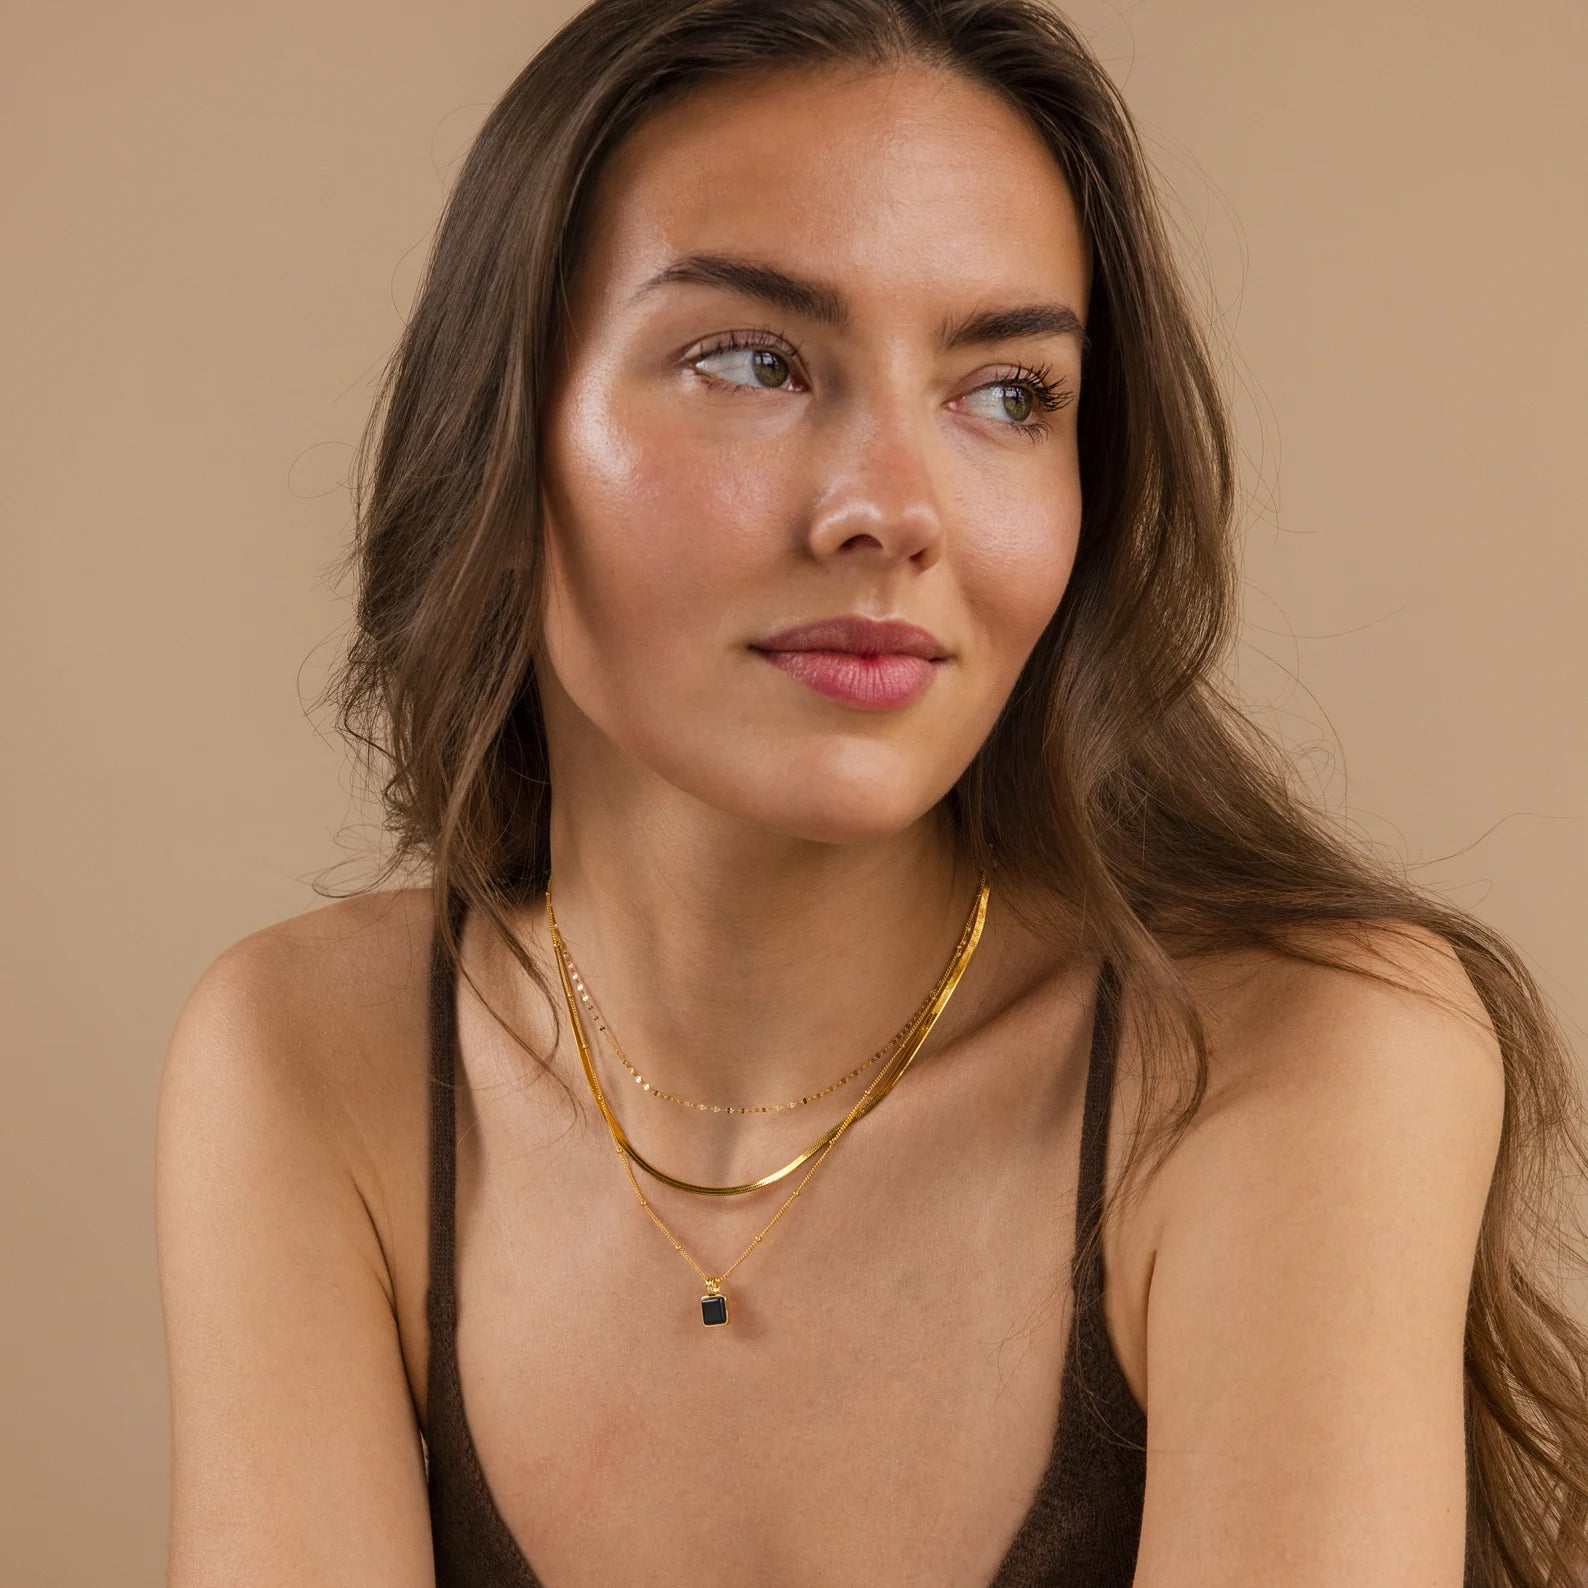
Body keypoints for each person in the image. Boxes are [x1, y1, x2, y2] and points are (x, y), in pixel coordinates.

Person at [154, 2, 1588, 1584]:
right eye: (752, 362)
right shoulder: (315, 1062)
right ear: (501, 434)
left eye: (1009, 393)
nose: (897, 510)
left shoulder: (1302, 1056)